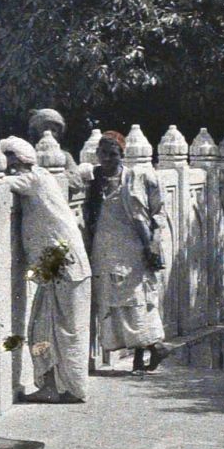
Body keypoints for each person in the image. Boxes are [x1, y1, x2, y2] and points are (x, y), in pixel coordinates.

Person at [2, 136, 91, 403]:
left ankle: (63, 388)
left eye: (7, 161)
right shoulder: (44, 176)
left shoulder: (32, 179)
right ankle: (62, 386)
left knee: (56, 330)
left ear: (16, 161)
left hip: (63, 266)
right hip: (63, 266)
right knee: (52, 329)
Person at [83, 130, 169, 371]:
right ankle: (141, 354)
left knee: (137, 299)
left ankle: (153, 347)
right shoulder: (95, 178)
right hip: (105, 247)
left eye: (113, 154)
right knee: (116, 301)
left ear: (122, 155)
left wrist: (153, 242)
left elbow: (157, 213)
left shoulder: (135, 178)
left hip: (133, 247)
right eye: (103, 154)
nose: (107, 159)